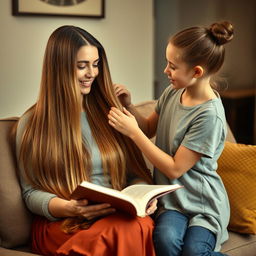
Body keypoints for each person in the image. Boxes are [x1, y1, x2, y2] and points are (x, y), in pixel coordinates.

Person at [15, 25, 157, 256]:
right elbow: (30, 193)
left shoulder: (110, 113)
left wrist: (143, 197)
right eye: (82, 66)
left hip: (116, 216)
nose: (91, 73)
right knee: (125, 232)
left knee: (135, 226)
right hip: (64, 222)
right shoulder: (32, 123)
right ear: (59, 68)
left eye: (96, 64)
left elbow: (135, 174)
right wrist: (69, 208)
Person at [108, 21, 234, 256]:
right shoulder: (173, 92)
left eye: (173, 66)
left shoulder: (209, 116)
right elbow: (147, 128)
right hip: (172, 202)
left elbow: (175, 168)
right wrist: (129, 106)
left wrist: (132, 132)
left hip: (203, 205)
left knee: (194, 251)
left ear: (196, 72)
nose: (166, 70)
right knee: (165, 241)